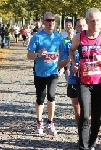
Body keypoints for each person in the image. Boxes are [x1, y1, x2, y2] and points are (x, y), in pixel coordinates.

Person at [69, 8, 101, 150]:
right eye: (92, 21)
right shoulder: (79, 37)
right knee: (85, 115)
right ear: (87, 22)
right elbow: (72, 49)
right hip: (83, 82)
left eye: (98, 21)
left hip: (99, 82)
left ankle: (92, 143)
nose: (95, 24)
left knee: (96, 117)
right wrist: (73, 63)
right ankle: (83, 146)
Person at [27, 12, 63, 135]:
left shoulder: (58, 37)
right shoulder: (37, 37)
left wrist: (62, 66)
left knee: (51, 95)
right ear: (44, 22)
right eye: (48, 20)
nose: (51, 22)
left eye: (53, 20)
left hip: (53, 71)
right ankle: (39, 121)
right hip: (40, 72)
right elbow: (29, 55)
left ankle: (50, 122)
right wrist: (38, 54)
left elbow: (64, 53)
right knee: (40, 98)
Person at [58, 18, 87, 128]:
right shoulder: (68, 45)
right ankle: (81, 136)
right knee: (78, 111)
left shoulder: (92, 43)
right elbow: (59, 64)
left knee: (90, 110)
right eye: (79, 26)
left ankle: (88, 130)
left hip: (89, 80)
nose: (82, 28)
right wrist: (67, 61)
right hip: (74, 79)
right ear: (75, 28)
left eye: (84, 25)